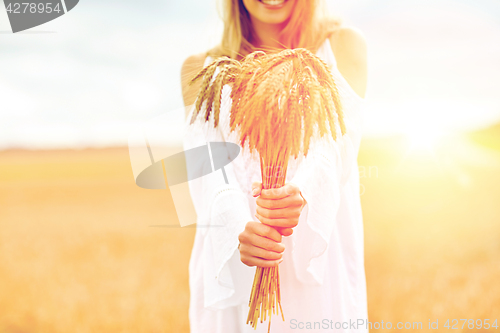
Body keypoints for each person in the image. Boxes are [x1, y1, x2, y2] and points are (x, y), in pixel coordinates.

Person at [180, 0, 368, 332]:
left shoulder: (341, 47)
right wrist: (237, 225)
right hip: (237, 265)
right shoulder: (201, 69)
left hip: (318, 274)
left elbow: (338, 144)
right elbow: (207, 168)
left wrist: (305, 191)